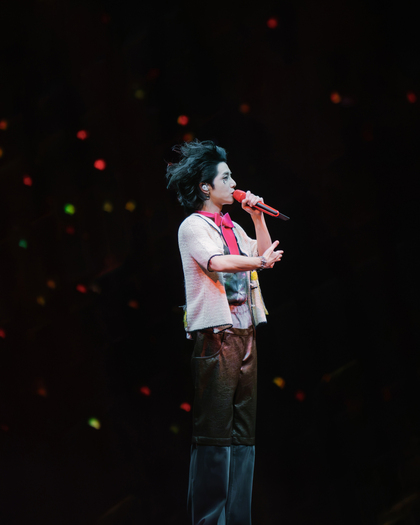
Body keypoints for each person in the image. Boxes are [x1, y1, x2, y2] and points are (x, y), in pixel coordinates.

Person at [166, 139, 284, 525]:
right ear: (206, 187)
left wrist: (258, 218)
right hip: (217, 337)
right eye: (226, 177)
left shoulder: (231, 224)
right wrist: (258, 262)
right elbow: (217, 262)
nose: (234, 183)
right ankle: (209, 520)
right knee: (215, 434)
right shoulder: (193, 227)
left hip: (246, 332)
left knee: (243, 435)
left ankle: (237, 518)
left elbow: (261, 255)